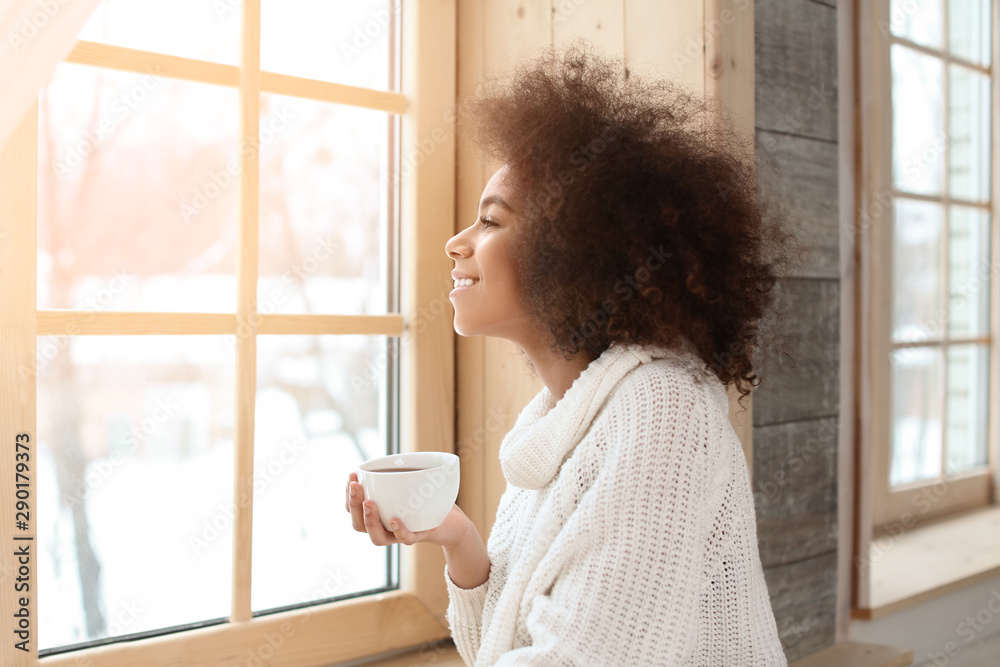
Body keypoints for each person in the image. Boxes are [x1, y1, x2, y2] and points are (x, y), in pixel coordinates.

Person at [345, 40, 804, 666]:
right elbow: (501, 648)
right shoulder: (560, 418)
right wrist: (458, 539)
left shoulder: (662, 412)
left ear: (572, 252)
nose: (457, 243)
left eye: (491, 222)